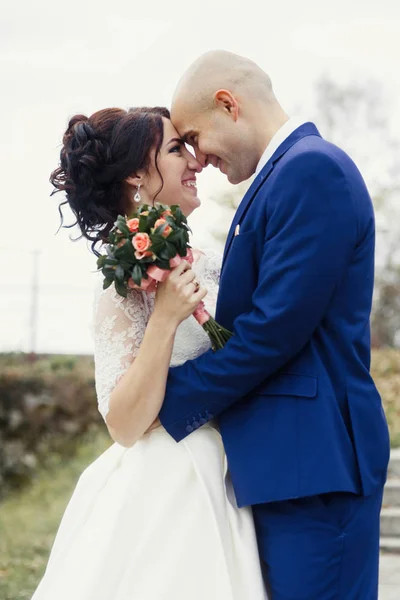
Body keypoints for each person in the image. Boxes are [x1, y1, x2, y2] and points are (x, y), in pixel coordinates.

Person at [157, 51, 391, 599]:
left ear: (228, 105)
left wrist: (163, 401)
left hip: (317, 467)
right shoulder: (283, 177)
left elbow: (272, 331)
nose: (197, 156)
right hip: (291, 466)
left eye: (194, 136)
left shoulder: (311, 170)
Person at [31, 107, 267, 599]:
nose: (195, 160)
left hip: (233, 470)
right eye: (176, 149)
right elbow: (123, 425)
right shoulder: (119, 287)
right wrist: (163, 319)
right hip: (167, 484)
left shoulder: (218, 263)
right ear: (138, 175)